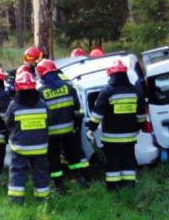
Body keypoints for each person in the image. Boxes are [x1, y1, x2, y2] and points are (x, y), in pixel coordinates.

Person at [85, 58, 147, 190]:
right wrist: (139, 127)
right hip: (130, 137)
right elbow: (141, 115)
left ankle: (114, 187)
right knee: (129, 162)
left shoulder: (107, 92)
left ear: (111, 75)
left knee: (113, 163)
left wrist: (91, 129)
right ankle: (129, 186)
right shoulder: (135, 92)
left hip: (111, 138)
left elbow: (97, 114)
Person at [36, 58, 90, 191]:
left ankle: (59, 186)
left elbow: (39, 113)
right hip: (69, 131)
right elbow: (78, 110)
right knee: (74, 156)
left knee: (53, 161)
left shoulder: (41, 91)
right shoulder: (69, 87)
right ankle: (81, 179)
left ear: (41, 74)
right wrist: (76, 126)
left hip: (51, 134)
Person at [3, 69, 51, 203]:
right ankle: (43, 199)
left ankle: (16, 199)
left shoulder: (14, 105)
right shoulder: (42, 103)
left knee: (18, 173)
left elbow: (8, 122)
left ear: (17, 87)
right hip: (40, 147)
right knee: (41, 173)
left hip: (20, 147)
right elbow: (49, 119)